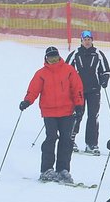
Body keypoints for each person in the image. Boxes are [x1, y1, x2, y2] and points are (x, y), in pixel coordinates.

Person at [19, 46, 84, 184]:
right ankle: (47, 169)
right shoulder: (41, 73)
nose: (53, 61)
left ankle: (63, 170)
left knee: (66, 140)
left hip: (67, 111)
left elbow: (77, 88)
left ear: (59, 57)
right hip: (49, 112)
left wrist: (79, 105)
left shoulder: (69, 70)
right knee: (51, 138)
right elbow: (33, 90)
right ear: (46, 59)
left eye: (55, 58)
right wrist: (27, 101)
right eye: (50, 58)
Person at [65, 29, 110, 155]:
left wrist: (104, 79)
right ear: (81, 40)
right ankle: (71, 140)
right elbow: (66, 70)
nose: (87, 42)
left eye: (89, 40)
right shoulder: (76, 54)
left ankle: (91, 144)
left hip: (94, 90)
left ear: (92, 41)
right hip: (78, 90)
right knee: (77, 114)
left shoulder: (98, 54)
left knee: (93, 116)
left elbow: (106, 70)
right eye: (85, 40)